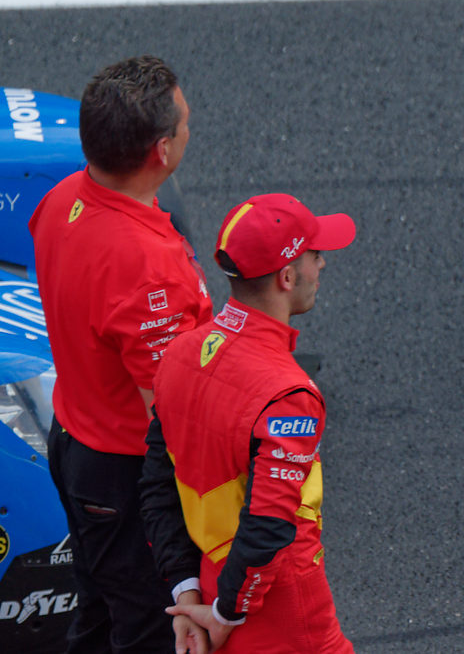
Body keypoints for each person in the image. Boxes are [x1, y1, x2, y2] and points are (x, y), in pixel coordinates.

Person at [28, 55, 213, 654]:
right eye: (185, 122)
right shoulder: (148, 267)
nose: (191, 127)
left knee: (101, 606)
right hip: (126, 475)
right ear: (161, 150)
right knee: (149, 629)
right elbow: (173, 410)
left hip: (75, 439)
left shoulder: (60, 199)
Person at [139, 194, 359, 654]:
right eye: (314, 256)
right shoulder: (289, 394)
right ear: (286, 277)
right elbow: (269, 525)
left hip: (210, 585)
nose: (322, 266)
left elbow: (157, 487)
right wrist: (223, 618)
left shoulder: (179, 356)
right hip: (286, 612)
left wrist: (188, 599)